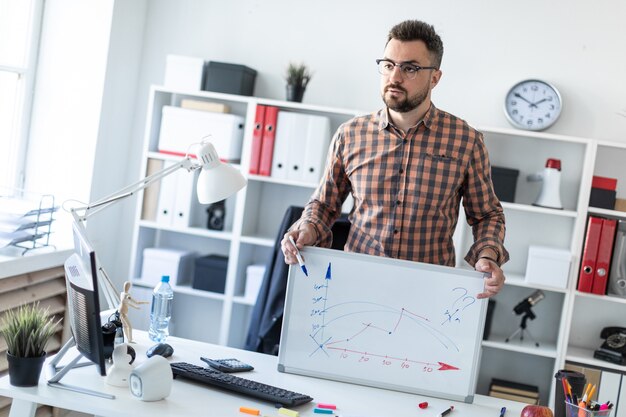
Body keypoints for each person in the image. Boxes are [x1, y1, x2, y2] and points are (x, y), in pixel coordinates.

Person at [281, 19, 508, 299]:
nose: (395, 77)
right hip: (354, 285)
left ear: (435, 77)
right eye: (388, 65)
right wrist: (305, 229)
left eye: (409, 68)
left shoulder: (466, 141)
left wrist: (488, 255)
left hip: (428, 292)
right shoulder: (350, 135)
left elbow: (487, 214)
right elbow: (324, 204)